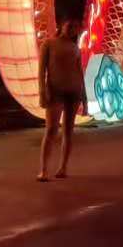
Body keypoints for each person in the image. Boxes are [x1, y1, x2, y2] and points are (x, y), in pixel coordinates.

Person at [37, 19, 85, 180]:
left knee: (68, 131)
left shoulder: (75, 48)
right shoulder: (49, 44)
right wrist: (42, 91)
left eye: (75, 27)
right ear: (62, 26)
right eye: (69, 25)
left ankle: (63, 167)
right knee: (51, 130)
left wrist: (84, 97)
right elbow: (41, 71)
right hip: (55, 91)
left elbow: (80, 73)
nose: (72, 29)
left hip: (73, 92)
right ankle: (43, 170)